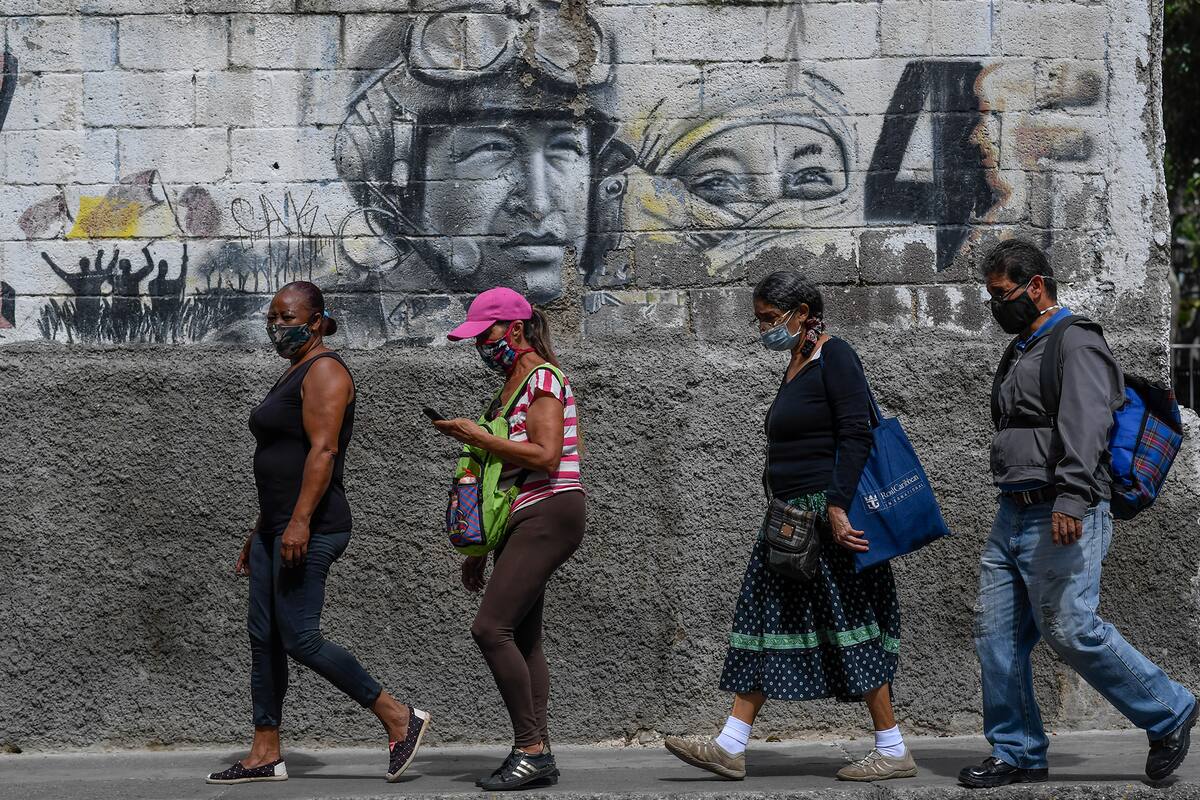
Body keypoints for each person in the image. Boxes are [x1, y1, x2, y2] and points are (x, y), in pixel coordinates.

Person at [960, 239, 1198, 787]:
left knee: (1070, 627)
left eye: (1001, 294)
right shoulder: (1023, 346)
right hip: (1013, 510)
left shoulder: (1078, 340)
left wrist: (1072, 495)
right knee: (996, 634)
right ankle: (1017, 752)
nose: (995, 306)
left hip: (1063, 508)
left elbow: (1088, 424)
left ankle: (1169, 709)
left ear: (1035, 286)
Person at [664, 271, 915, 783]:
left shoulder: (835, 355)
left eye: (768, 319)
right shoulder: (795, 363)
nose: (763, 330)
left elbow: (855, 432)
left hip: (824, 518)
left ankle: (892, 748)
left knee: (850, 622)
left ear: (801, 313)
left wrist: (838, 508)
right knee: (764, 620)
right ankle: (730, 744)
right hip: (789, 518)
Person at [207, 281, 430, 785]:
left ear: (315, 320)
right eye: (272, 318)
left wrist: (300, 521)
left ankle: (398, 716)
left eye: (287, 318)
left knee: (300, 637)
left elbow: (323, 451)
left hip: (313, 525)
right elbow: (281, 464)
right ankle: (265, 751)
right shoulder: (293, 372)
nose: (277, 327)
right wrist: (261, 528)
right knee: (263, 638)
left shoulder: (325, 371)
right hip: (277, 527)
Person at [431, 287, 584, 791]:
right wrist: (480, 548)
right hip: (522, 516)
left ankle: (531, 749)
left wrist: (474, 435)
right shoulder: (508, 390)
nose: (480, 346)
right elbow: (503, 474)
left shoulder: (542, 378)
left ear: (515, 330)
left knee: (489, 629)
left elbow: (543, 455)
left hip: (550, 512)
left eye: (486, 334)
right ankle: (538, 750)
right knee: (522, 636)